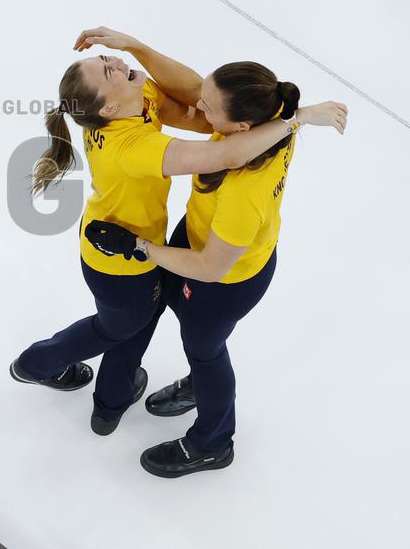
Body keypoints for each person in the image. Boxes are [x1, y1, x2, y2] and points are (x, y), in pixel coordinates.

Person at [11, 27, 343, 438]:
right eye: (108, 70)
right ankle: (36, 365)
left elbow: (191, 95)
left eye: (105, 59)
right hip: (117, 257)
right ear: (110, 107)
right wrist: (301, 118)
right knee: (114, 328)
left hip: (133, 243)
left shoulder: (132, 100)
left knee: (138, 323)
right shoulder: (134, 146)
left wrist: (131, 45)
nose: (116, 63)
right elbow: (222, 147)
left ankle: (111, 404)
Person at [84, 50, 347, 476]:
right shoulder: (273, 113)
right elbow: (189, 94)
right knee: (150, 308)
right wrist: (134, 46)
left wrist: (138, 246)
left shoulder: (245, 193)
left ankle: (212, 441)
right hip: (196, 234)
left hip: (224, 278)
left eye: (208, 106)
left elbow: (210, 268)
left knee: (204, 351)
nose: (198, 109)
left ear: (242, 128)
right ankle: (125, 389)